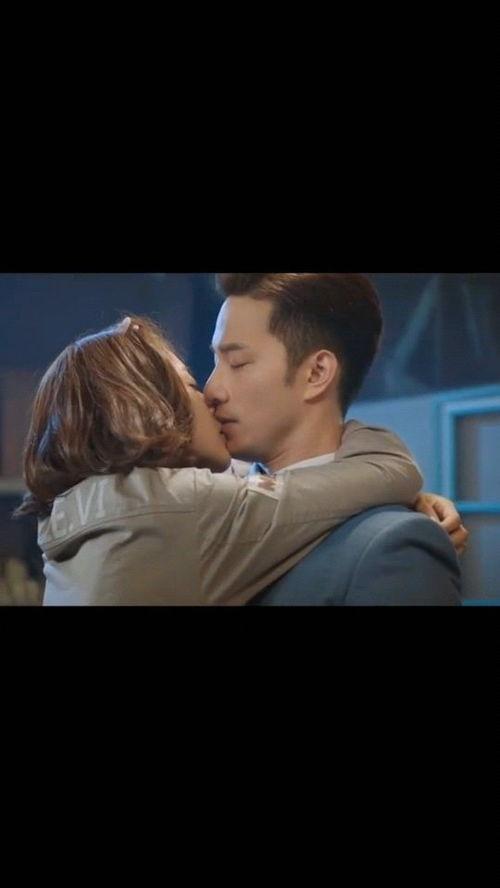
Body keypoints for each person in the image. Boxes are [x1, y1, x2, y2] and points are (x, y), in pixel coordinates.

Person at [15, 315, 423, 606]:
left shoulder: (80, 511)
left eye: (238, 363)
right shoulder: (180, 507)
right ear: (151, 409)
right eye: (192, 384)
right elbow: (384, 470)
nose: (210, 394)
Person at [204, 273, 465, 605]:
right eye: (216, 362)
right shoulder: (209, 515)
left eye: (237, 363)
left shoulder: (394, 548)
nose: (212, 389)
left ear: (317, 373)